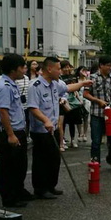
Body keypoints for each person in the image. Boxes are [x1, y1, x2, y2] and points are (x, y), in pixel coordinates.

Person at [27, 57, 92, 199]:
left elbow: (68, 88)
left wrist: (83, 83)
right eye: (58, 68)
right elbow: (32, 107)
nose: (60, 71)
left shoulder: (55, 83)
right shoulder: (35, 85)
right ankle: (40, 189)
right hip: (41, 130)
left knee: (54, 158)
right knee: (42, 160)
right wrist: (45, 120)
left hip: (54, 128)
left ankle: (51, 185)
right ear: (49, 69)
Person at [0, 54, 33, 208]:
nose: (25, 69)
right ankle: (10, 198)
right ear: (14, 69)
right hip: (8, 132)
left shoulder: (11, 83)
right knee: (9, 167)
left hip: (18, 130)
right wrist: (10, 135)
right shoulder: (3, 85)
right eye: (22, 66)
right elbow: (3, 111)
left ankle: (18, 191)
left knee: (20, 164)